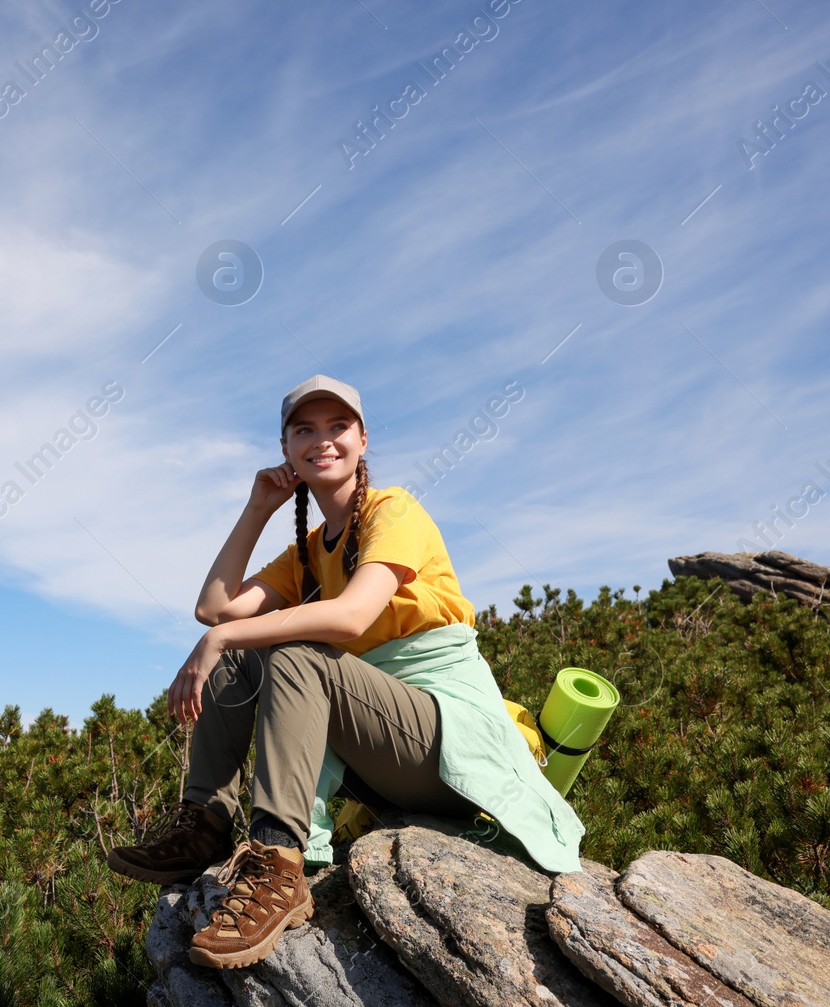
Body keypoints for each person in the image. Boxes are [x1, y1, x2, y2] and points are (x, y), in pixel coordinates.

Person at [105, 375, 584, 971]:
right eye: (304, 430)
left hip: (448, 745)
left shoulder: (394, 510)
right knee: (241, 653)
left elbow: (353, 617)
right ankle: (203, 826)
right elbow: (215, 606)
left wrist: (221, 634)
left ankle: (280, 866)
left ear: (362, 440)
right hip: (381, 751)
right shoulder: (308, 550)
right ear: (286, 449)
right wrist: (258, 508)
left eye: (338, 427)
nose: (322, 440)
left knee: (294, 649)